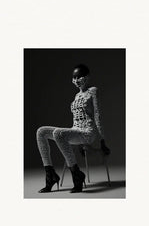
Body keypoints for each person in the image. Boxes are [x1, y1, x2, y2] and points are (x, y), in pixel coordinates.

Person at [36, 64, 110, 193]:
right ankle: (50, 175)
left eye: (79, 77)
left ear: (87, 77)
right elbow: (76, 119)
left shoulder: (92, 91)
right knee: (41, 131)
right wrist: (74, 136)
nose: (76, 80)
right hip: (76, 131)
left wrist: (102, 140)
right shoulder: (76, 96)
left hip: (88, 132)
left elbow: (97, 115)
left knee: (58, 133)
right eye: (74, 77)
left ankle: (76, 174)